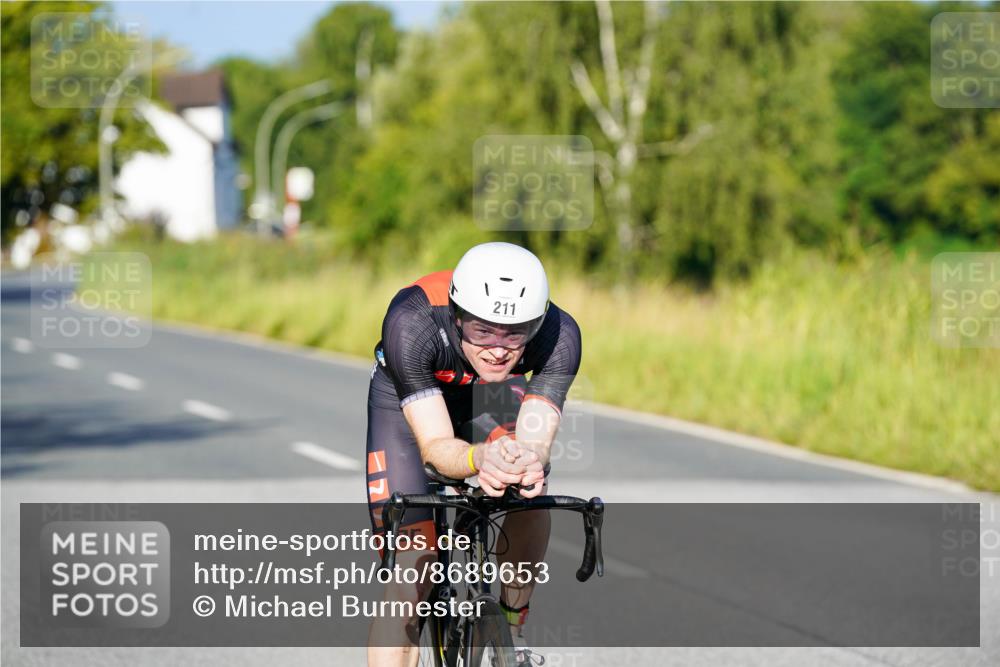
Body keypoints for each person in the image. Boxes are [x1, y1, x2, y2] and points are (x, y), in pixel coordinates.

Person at [366, 241, 582, 666]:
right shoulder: (412, 323)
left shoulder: (561, 335)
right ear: (457, 315)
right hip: (408, 404)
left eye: (515, 333)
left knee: (527, 489)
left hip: (492, 395)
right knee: (413, 573)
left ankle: (509, 629)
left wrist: (527, 460)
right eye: (482, 330)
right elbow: (434, 448)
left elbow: (535, 441)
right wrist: (479, 458)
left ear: (537, 324)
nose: (499, 348)